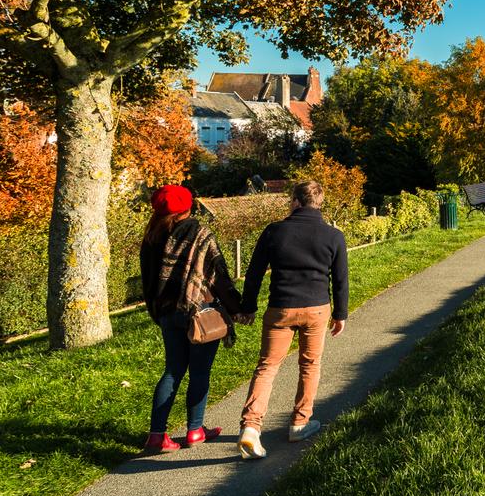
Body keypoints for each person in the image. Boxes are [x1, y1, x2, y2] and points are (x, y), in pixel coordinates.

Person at [236, 179, 348, 459]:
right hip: (316, 309)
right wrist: (340, 314)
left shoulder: (274, 232)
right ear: (319, 203)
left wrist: (248, 306)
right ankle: (299, 423)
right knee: (310, 365)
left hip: (281, 308)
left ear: (295, 201)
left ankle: (251, 427)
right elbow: (340, 280)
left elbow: (254, 273)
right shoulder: (333, 236)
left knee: (267, 366)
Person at [138, 184, 243, 453]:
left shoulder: (152, 236)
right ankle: (195, 430)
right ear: (190, 206)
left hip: (166, 312)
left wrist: (156, 309)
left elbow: (149, 280)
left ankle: (156, 435)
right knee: (199, 371)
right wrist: (237, 307)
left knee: (173, 371)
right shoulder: (200, 233)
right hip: (199, 313)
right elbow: (218, 275)